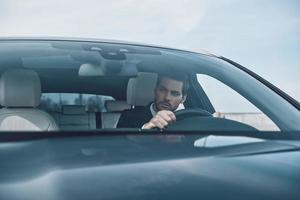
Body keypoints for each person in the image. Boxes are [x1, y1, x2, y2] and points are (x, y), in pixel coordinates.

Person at [117, 73, 189, 129]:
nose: (167, 97)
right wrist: (146, 128)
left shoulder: (188, 121)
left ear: (183, 99)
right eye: (162, 90)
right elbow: (120, 145)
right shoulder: (129, 117)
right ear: (155, 91)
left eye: (174, 93)